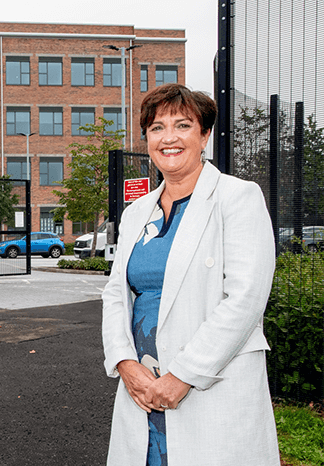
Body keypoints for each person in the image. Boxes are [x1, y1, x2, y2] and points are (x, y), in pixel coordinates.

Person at [102, 83, 280, 466]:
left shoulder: (238, 198)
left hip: (209, 386)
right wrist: (124, 363)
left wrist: (183, 375)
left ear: (204, 135)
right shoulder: (136, 212)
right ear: (147, 138)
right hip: (142, 388)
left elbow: (245, 298)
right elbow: (115, 294)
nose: (169, 138)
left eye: (182, 125)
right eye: (156, 128)